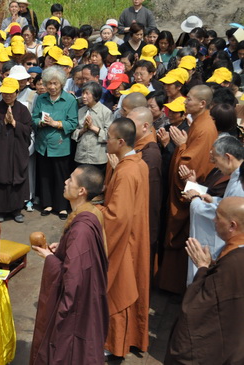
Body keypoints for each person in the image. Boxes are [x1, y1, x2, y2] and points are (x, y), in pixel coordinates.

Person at [30, 165, 109, 365]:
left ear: (82, 191)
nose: (66, 181)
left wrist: (49, 258)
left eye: (71, 180)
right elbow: (81, 257)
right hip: (89, 297)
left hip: (77, 308)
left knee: (68, 350)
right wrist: (63, 248)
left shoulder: (81, 229)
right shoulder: (91, 212)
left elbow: (73, 279)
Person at [164, 197, 244, 364]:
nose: (214, 220)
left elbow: (198, 308)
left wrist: (202, 267)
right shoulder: (234, 254)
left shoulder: (233, 264)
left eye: (218, 216)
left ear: (232, 226)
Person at [159, 85, 219, 294]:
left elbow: (188, 165)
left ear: (202, 103)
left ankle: (175, 286)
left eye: (190, 99)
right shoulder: (200, 122)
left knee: (182, 235)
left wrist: (181, 145)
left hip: (192, 188)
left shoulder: (204, 128)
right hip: (191, 185)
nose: (185, 102)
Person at [100, 118, 150, 359]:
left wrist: (93, 211)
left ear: (120, 141)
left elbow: (116, 216)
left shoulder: (128, 171)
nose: (105, 140)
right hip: (135, 234)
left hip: (123, 240)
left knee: (118, 291)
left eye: (108, 137)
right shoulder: (135, 164)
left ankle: (115, 345)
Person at [183, 136, 244, 284]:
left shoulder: (239, 184)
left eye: (215, 160)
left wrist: (195, 200)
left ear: (228, 157)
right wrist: (214, 200)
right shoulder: (236, 175)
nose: (215, 165)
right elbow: (227, 204)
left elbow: (228, 213)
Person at [32, 66, 78, 219]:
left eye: (55, 84)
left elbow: (72, 123)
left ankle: (62, 207)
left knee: (61, 176)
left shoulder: (70, 100)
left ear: (62, 84)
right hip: (43, 144)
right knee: (45, 175)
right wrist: (41, 123)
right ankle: (47, 203)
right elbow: (34, 118)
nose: (52, 87)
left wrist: (56, 123)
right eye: (49, 83)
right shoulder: (41, 98)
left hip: (60, 144)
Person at [127, 107, 162, 277]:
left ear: (145, 126)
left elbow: (146, 193)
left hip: (143, 214)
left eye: (131, 124)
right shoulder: (139, 145)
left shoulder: (151, 154)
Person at [0, 77, 33, 223]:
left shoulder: (22, 110)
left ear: (16, 92)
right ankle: (1, 210)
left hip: (17, 150)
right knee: (2, 177)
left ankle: (17, 210)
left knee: (17, 179)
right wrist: (3, 122)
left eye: (10, 93)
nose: (7, 96)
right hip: (1, 150)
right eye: (4, 93)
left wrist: (15, 123)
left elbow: (28, 129)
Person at [72, 81, 112, 171]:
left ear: (95, 96)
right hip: (81, 156)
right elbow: (73, 132)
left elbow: (109, 136)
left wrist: (93, 128)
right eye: (83, 93)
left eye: (87, 94)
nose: (84, 96)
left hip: (98, 158)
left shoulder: (106, 112)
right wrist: (83, 130)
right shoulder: (80, 111)